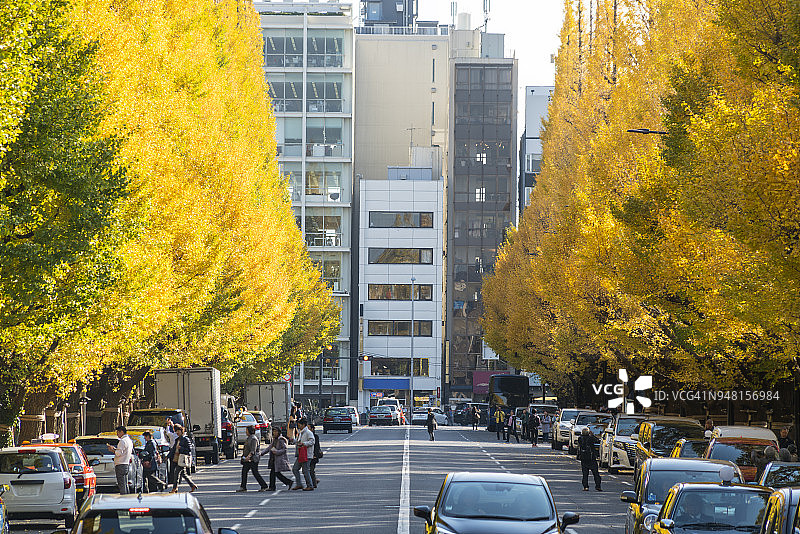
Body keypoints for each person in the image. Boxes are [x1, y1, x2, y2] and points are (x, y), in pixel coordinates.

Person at [237, 425, 268, 492]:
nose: (246, 432)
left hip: (253, 459)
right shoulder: (249, 438)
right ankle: (243, 487)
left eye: (247, 430)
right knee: (244, 472)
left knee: (255, 473)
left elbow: (253, 450)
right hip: (248, 459)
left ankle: (264, 486)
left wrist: (248, 457)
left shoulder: (253, 439)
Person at [262, 426, 293, 491]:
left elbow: (284, 449)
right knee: (274, 473)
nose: (274, 433)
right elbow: (269, 447)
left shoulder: (281, 440)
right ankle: (285, 483)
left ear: (279, 432)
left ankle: (285, 483)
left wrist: (277, 452)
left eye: (276, 431)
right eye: (273, 431)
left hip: (279, 459)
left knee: (275, 473)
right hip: (274, 459)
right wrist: (262, 453)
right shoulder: (274, 440)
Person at [169, 424, 197, 493]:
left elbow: (189, 449)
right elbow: (173, 449)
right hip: (176, 459)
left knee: (176, 473)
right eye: (176, 431)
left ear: (181, 431)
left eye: (178, 431)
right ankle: (192, 485)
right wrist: (168, 456)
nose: (177, 433)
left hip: (182, 459)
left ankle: (174, 488)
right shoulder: (177, 439)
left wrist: (181, 448)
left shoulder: (185, 439)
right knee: (183, 474)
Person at [107, 425, 133, 494]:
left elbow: (118, 453)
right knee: (125, 484)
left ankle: (124, 498)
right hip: (126, 463)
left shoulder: (122, 441)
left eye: (118, 432)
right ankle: (127, 497)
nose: (117, 434)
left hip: (120, 464)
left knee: (121, 484)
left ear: (121, 432)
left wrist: (112, 450)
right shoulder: (129, 441)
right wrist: (115, 449)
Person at [291, 418, 315, 491]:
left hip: (306, 454)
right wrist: (293, 440)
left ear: (303, 425)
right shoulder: (301, 432)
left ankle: (310, 485)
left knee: (305, 471)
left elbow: (312, 441)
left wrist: (304, 444)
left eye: (299, 425)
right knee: (295, 469)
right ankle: (299, 484)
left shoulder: (308, 432)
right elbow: (299, 441)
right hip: (300, 454)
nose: (298, 426)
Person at [309, 423, 322, 488]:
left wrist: (315, 455)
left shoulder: (315, 436)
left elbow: (317, 447)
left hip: (313, 456)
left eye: (309, 428)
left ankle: (314, 484)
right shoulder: (306, 435)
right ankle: (314, 480)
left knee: (311, 470)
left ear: (313, 429)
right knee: (307, 470)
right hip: (307, 455)